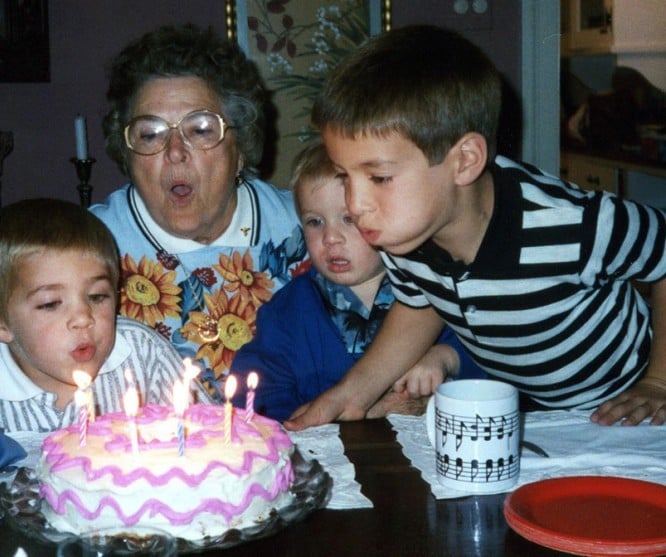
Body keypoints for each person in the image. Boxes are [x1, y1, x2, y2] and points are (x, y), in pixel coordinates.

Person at [285, 25, 666, 430]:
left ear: (464, 161)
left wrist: (659, 382)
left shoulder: (570, 224)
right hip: (540, 416)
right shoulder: (404, 231)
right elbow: (421, 304)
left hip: (629, 407)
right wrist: (351, 395)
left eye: (378, 178)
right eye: (345, 176)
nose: (355, 205)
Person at [0, 25, 307, 399]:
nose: (175, 151)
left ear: (240, 144)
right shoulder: (89, 243)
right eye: (150, 134)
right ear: (128, 156)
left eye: (200, 129)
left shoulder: (307, 226)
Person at [231, 143, 486, 421]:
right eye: (315, 222)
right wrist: (290, 421)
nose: (330, 238)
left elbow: (490, 354)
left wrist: (446, 357)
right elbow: (257, 393)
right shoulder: (286, 312)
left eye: (348, 220)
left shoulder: (428, 290)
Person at [0, 199, 212, 432]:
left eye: (97, 296)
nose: (83, 318)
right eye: (51, 303)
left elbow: (211, 433)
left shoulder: (144, 355)